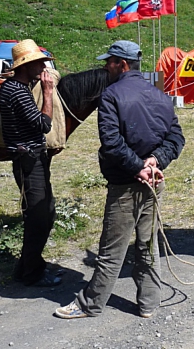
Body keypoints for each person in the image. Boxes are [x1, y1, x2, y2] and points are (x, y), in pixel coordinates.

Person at [56, 40, 185, 319]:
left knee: (111, 250)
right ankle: (149, 303)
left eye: (109, 61)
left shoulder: (111, 95)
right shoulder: (160, 95)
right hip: (154, 182)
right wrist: (156, 161)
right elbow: (176, 138)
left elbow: (112, 143)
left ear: (122, 64)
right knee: (148, 245)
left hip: (126, 184)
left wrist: (138, 167)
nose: (106, 66)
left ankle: (91, 304)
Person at [0, 39, 61, 287]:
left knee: (46, 211)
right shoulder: (15, 91)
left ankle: (28, 266)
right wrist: (47, 92)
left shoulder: (19, 88)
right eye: (39, 63)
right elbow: (44, 125)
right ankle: (31, 273)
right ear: (25, 66)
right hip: (28, 160)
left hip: (34, 158)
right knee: (37, 216)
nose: (43, 67)